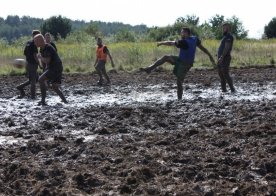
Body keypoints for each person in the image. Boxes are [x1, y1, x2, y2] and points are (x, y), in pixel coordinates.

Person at [140, 27, 215, 100]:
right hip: (179, 60)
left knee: (179, 82)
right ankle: (149, 69)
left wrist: (162, 43)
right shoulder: (194, 39)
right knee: (166, 57)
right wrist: (210, 56)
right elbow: (203, 48)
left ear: (186, 33)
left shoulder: (184, 42)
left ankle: (179, 100)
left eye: (182, 32)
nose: (181, 34)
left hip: (185, 64)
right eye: (181, 32)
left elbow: (171, 43)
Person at [34, 34, 68, 106]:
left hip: (56, 67)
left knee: (40, 79)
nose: (34, 43)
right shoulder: (42, 48)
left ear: (40, 41)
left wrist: (40, 57)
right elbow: (46, 63)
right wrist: (45, 69)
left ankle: (43, 101)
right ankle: (65, 102)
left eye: (35, 41)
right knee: (55, 87)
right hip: (54, 67)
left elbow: (47, 61)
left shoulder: (48, 47)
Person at [16, 30, 41, 99]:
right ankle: (33, 97)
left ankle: (20, 87)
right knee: (33, 81)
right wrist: (39, 64)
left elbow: (25, 53)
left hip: (28, 63)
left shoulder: (28, 43)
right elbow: (35, 55)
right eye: (39, 36)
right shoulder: (34, 44)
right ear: (36, 36)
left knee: (35, 79)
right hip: (32, 64)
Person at [217, 23, 235, 93]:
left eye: (226, 28)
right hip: (220, 57)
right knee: (221, 74)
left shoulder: (229, 36)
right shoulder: (224, 37)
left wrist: (222, 56)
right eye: (223, 28)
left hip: (225, 58)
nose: (224, 29)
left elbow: (227, 48)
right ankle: (224, 90)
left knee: (225, 73)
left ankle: (232, 89)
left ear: (229, 28)